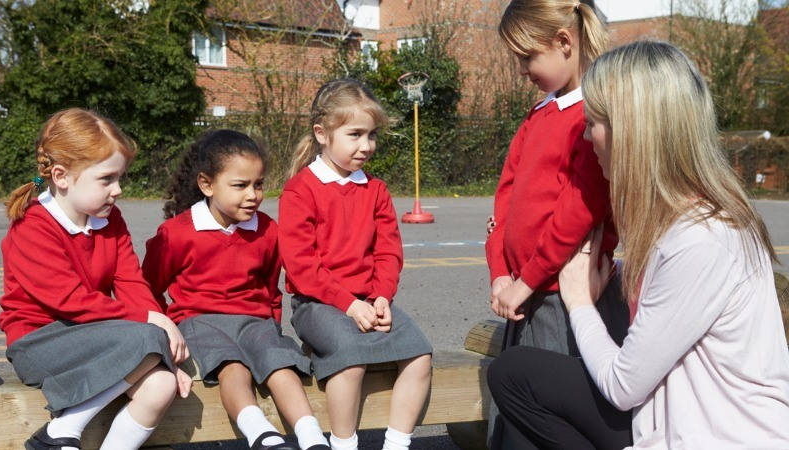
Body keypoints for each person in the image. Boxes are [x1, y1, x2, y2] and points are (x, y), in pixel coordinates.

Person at [488, 41, 789, 449]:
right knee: (516, 374)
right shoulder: (686, 219)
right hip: (677, 417)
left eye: (593, 122)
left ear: (634, 131)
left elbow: (623, 384)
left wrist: (578, 300)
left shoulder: (702, 239)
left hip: (714, 436)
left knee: (516, 378)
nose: (586, 136)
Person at [0, 108, 191, 450]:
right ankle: (61, 430)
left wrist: (159, 340)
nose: (117, 190)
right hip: (39, 343)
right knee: (149, 337)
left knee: (161, 385)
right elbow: (68, 301)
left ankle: (63, 432)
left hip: (94, 337)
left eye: (120, 178)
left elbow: (131, 283)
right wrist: (153, 326)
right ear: (61, 176)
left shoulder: (109, 219)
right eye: (106, 179)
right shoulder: (33, 226)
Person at [142, 130, 329, 450]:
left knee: (280, 363)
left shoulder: (268, 230)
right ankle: (262, 435)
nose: (253, 194)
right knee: (233, 367)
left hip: (254, 322)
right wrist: (166, 331)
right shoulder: (176, 233)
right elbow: (148, 287)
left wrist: (271, 328)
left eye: (258, 184)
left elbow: (271, 290)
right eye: (240, 186)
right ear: (206, 184)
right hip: (201, 322)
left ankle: (312, 437)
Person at [279, 79, 433, 450]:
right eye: (355, 134)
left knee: (420, 353)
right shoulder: (300, 190)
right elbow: (301, 267)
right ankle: (344, 443)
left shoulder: (376, 190)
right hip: (317, 304)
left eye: (372, 135)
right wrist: (348, 304)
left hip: (369, 301)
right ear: (322, 134)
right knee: (351, 358)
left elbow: (389, 253)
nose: (366, 146)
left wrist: (381, 296)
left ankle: (397, 442)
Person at [486, 0, 627, 356]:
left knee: (549, 403)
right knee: (513, 399)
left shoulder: (593, 119)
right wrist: (500, 272)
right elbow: (506, 196)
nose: (521, 70)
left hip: (563, 296)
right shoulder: (538, 113)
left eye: (527, 56)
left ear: (564, 42)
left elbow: (576, 216)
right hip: (523, 291)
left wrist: (526, 282)